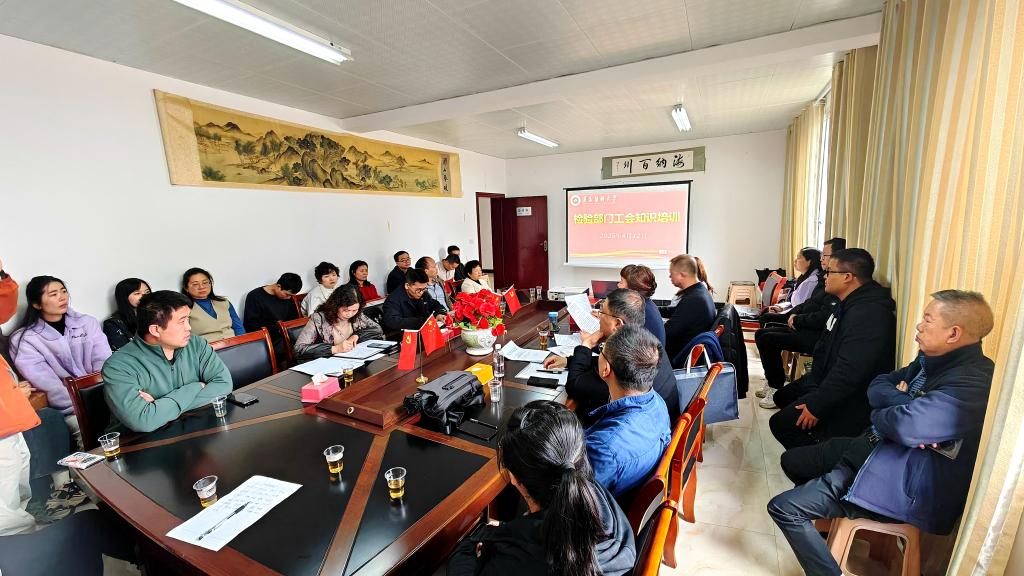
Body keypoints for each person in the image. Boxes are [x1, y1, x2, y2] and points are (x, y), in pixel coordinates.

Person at [769, 291, 995, 576]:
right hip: (879, 450)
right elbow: (878, 385)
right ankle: (825, 521)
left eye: (927, 320)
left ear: (953, 333)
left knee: (783, 507)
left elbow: (906, 426)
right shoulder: (929, 360)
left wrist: (885, 412)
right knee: (794, 460)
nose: (919, 326)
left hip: (902, 482)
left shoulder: (973, 381)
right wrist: (902, 404)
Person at [448, 400, 636, 576]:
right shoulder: (597, 495)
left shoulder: (519, 561)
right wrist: (507, 531)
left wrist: (472, 540)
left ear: (514, 478)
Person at [768, 248, 896, 450]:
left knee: (781, 425)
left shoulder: (868, 315)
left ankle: (819, 461)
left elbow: (849, 372)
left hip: (851, 398)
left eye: (829, 272)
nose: (824, 276)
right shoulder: (844, 302)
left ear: (847, 277)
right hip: (821, 377)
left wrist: (817, 405)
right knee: (781, 397)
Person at [102, 291, 233, 433]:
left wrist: (159, 405)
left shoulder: (195, 343)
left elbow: (224, 384)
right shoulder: (118, 366)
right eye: (182, 321)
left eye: (188, 319)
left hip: (191, 428)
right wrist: (197, 386)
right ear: (155, 330)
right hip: (141, 441)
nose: (189, 327)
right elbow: (144, 420)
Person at [543, 288, 679, 424]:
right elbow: (599, 363)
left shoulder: (623, 364)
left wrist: (586, 344)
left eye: (602, 312)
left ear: (617, 324)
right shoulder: (646, 343)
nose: (598, 317)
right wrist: (568, 361)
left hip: (635, 427)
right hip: (658, 422)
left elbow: (574, 386)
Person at [9, 276, 111, 444]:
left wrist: (108, 396)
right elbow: (47, 383)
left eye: (64, 291)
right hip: (70, 408)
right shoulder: (25, 339)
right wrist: (82, 407)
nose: (62, 297)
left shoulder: (87, 323)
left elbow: (104, 362)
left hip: (106, 395)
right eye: (53, 294)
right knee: (92, 436)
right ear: (37, 304)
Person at [584, 325, 671, 497]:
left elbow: (577, 500)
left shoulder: (603, 449)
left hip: (610, 506)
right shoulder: (657, 401)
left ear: (606, 369)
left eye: (601, 350)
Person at [755, 239, 843, 403]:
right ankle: (774, 380)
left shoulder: (831, 283)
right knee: (761, 334)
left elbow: (822, 316)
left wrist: (797, 319)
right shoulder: (823, 278)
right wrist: (794, 314)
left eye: (825, 255)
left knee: (767, 338)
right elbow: (808, 303)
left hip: (816, 336)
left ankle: (776, 386)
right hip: (804, 325)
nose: (822, 259)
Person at [293, 285, 384, 362]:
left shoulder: (357, 315)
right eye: (346, 310)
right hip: (328, 366)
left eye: (354, 310)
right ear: (336, 305)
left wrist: (357, 335)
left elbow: (377, 329)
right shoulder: (319, 319)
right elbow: (299, 349)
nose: (350, 314)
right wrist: (335, 349)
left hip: (354, 362)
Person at [663, 254, 716, 362]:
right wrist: (652, 310)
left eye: (671, 273)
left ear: (682, 274)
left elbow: (667, 332)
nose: (669, 276)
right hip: (684, 348)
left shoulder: (694, 299)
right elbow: (674, 311)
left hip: (677, 356)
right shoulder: (699, 292)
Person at [243, 272, 302, 355]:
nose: (289, 298)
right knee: (294, 348)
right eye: (287, 294)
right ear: (279, 286)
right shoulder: (255, 296)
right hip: (268, 339)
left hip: (285, 336)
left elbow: (293, 319)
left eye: (291, 296)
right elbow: (250, 325)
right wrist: (278, 329)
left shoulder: (289, 298)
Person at [181, 267, 244, 343]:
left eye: (205, 282)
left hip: (233, 344)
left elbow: (238, 328)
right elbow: (183, 337)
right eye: (195, 284)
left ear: (210, 284)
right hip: (206, 348)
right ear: (186, 288)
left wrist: (241, 344)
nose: (201, 287)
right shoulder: (183, 308)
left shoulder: (224, 302)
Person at [381, 269, 448, 332]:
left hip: (426, 331)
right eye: (418, 289)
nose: (421, 293)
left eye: (424, 289)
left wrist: (439, 314)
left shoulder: (423, 293)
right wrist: (424, 321)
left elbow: (435, 304)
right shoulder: (393, 300)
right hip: (406, 336)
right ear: (407, 285)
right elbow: (392, 321)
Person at [617, 264, 666, 346]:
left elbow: (622, 343)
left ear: (632, 290)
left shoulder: (638, 312)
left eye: (621, 282)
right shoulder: (648, 304)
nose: (618, 285)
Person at [102, 278, 151, 351]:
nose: (145, 296)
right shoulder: (113, 324)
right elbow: (124, 353)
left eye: (147, 292)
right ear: (124, 297)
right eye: (137, 293)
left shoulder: (158, 315)